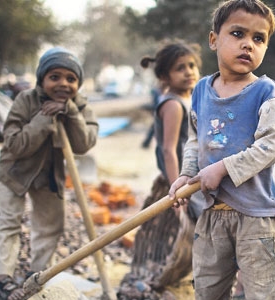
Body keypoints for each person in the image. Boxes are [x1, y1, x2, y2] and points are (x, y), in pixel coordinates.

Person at [169, 0, 275, 298]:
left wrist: (223, 168)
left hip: (255, 216)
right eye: (238, 34)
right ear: (213, 40)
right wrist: (188, 173)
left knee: (262, 292)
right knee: (209, 289)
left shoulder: (265, 92)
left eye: (258, 39)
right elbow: (195, 139)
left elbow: (271, 145)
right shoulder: (200, 91)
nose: (248, 44)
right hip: (212, 214)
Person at [0, 47, 98, 300]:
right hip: (14, 171)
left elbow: (84, 144)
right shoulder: (25, 100)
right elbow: (14, 144)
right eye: (55, 77)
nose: (63, 83)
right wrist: (42, 119)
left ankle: (37, 276)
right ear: (41, 79)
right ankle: (1, 279)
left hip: (49, 173)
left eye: (71, 79)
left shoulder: (80, 105)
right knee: (9, 221)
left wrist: (70, 112)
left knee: (51, 225)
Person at [118, 40, 205, 299]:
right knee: (192, 227)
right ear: (165, 76)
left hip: (196, 175)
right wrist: (177, 187)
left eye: (192, 65)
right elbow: (168, 149)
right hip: (182, 178)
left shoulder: (191, 99)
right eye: (181, 68)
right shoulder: (172, 105)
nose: (189, 71)